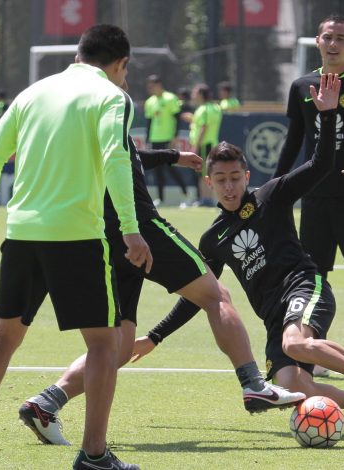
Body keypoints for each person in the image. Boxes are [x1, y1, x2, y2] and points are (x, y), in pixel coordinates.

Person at [133, 73, 344, 425]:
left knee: (296, 345)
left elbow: (320, 164)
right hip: (273, 318)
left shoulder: (273, 195)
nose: (229, 186)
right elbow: (198, 294)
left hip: (304, 286)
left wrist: (327, 116)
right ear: (209, 184)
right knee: (293, 383)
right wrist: (155, 336)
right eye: (220, 180)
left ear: (247, 177)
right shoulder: (213, 239)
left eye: (235, 178)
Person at [18, 102, 305, 447]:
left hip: (103, 242)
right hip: (139, 229)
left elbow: (133, 155)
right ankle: (253, 384)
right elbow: (125, 153)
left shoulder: (74, 129)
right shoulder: (106, 106)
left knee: (118, 346)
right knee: (217, 296)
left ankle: (47, 402)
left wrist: (173, 156)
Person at [0, 24, 152, 470]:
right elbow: (116, 158)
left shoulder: (33, 92)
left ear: (80, 53)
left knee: (3, 337)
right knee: (106, 344)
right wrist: (131, 228)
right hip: (77, 237)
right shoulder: (113, 97)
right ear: (121, 64)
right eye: (126, 71)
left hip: (23, 233)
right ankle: (95, 455)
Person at [272, 14, 344, 374]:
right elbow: (294, 142)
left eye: (341, 38)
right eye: (328, 37)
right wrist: (276, 188)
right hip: (314, 200)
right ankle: (316, 352)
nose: (334, 43)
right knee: (313, 280)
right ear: (317, 41)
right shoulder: (301, 86)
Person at [145, 74, 189, 207]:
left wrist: (175, 136)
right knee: (157, 169)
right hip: (155, 139)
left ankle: (185, 196)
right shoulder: (150, 101)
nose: (150, 88)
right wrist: (148, 140)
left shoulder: (170, 98)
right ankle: (160, 199)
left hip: (167, 139)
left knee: (171, 168)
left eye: (152, 86)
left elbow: (176, 118)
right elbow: (149, 122)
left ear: (159, 85)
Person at [189, 83, 222, 206]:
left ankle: (206, 199)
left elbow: (204, 127)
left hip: (204, 145)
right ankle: (207, 198)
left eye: (195, 92)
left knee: (203, 172)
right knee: (207, 171)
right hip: (211, 144)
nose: (193, 95)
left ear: (201, 95)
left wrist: (196, 146)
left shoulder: (204, 109)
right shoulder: (215, 107)